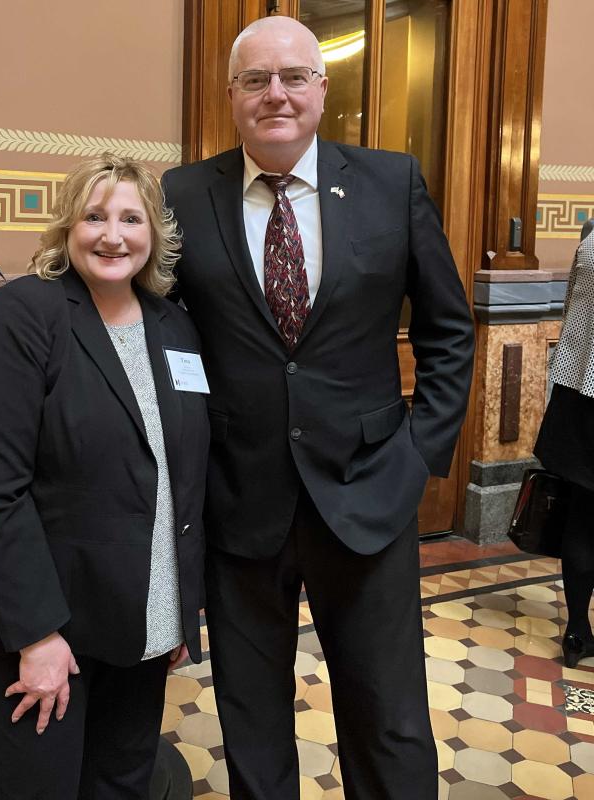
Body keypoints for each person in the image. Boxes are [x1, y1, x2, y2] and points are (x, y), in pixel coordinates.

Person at [162, 15, 474, 800]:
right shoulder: (181, 195)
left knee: (390, 720)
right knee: (253, 727)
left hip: (369, 495)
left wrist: (416, 458)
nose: (276, 94)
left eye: (293, 77)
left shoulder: (391, 181)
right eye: (256, 79)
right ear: (230, 93)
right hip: (240, 506)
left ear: (321, 89)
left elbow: (448, 331)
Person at [0, 154, 209, 799]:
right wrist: (36, 633)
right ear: (68, 227)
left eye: (130, 218)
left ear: (154, 235)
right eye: (94, 216)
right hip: (42, 622)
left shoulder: (174, 325)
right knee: (43, 786)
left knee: (123, 779)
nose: (112, 235)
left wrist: (177, 611)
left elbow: (185, 475)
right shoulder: (26, 313)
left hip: (141, 616)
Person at [534, 223, 594, 669]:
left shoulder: (592, 233)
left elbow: (572, 308)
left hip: (579, 394)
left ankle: (576, 631)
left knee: (582, 516)